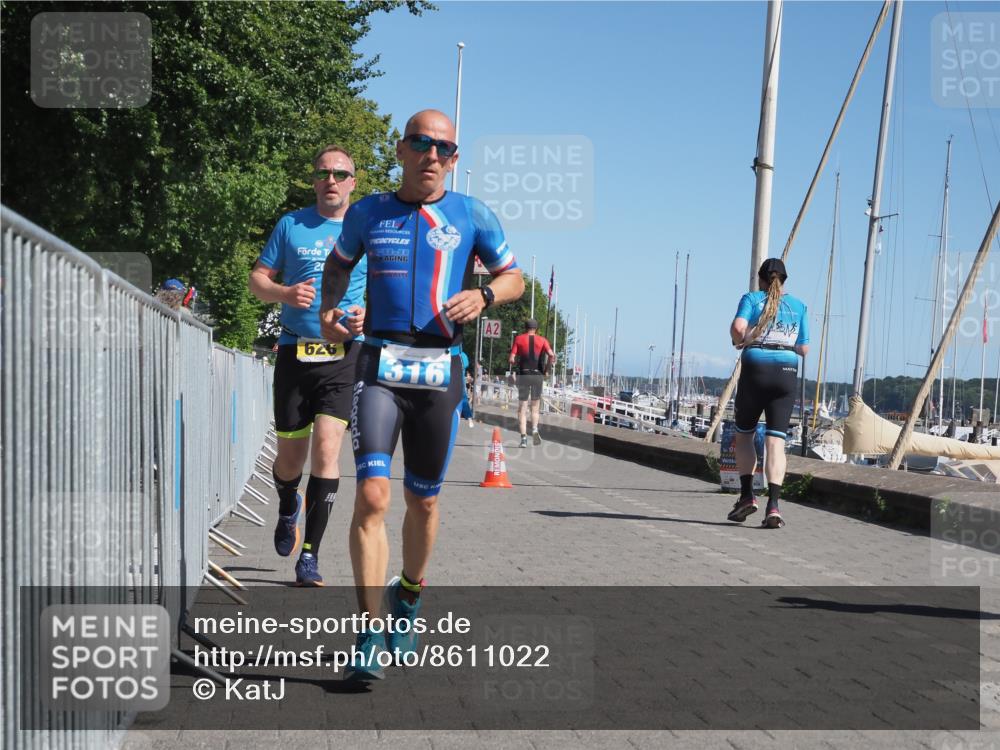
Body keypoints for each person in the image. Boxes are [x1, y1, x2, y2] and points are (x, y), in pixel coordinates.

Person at [321, 109, 523, 680]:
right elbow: (338, 269)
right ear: (402, 151)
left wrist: (484, 297)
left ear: (454, 159)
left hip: (439, 370)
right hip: (378, 364)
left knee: (424, 500)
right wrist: (329, 314)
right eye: (420, 143)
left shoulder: (471, 214)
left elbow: (514, 277)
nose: (432, 155)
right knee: (373, 498)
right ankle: (368, 631)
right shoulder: (368, 213)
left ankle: (407, 593)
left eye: (444, 148)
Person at [248, 145, 366, 586]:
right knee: (289, 460)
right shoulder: (291, 225)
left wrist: (365, 317)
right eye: (323, 174)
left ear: (353, 182)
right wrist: (282, 293)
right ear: (314, 180)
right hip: (295, 352)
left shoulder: (365, 232)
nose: (331, 181)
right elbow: (257, 279)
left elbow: (383, 292)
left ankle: (310, 556)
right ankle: (286, 504)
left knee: (328, 453)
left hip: (343, 356)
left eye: (340, 174)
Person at [726, 258, 809, 529]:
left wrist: (743, 340)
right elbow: (804, 348)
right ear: (784, 281)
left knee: (745, 435)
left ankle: (748, 495)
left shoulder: (752, 299)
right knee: (776, 442)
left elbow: (738, 329)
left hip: (755, 371)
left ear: (761, 279)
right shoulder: (798, 306)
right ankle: (774, 506)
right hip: (786, 373)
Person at [509, 318, 554, 448]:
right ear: (536, 328)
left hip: (523, 375)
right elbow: (552, 355)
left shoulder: (518, 339)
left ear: (525, 327)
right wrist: (547, 369)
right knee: (535, 408)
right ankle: (534, 430)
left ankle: (523, 439)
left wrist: (513, 362)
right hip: (537, 375)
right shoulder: (543, 340)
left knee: (522, 409)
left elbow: (511, 358)